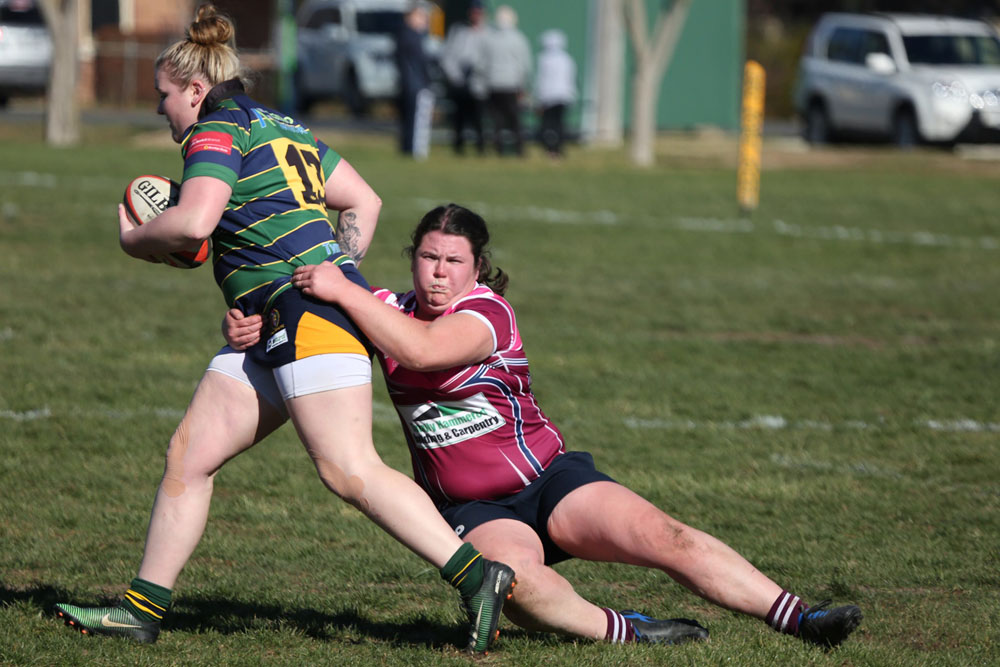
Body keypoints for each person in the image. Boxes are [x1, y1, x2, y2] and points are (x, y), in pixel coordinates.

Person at [52, 7, 514, 655]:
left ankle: (477, 574)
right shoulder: (279, 124)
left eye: (164, 96)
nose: (161, 109)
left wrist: (135, 239)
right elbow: (364, 200)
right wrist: (317, 273)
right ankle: (140, 611)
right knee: (190, 455)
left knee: (348, 468)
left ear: (194, 89)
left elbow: (194, 223)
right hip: (273, 322)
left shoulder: (216, 129)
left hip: (307, 320)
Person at [223, 204, 864, 649]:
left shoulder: (487, 313)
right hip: (473, 509)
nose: (439, 272)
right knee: (515, 588)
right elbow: (311, 338)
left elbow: (420, 350)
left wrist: (345, 291)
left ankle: (801, 618)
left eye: (453, 260)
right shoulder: (382, 309)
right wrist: (254, 327)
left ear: (477, 267)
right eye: (427, 257)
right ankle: (626, 629)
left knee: (666, 537)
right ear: (412, 259)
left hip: (550, 481)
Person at [440, 0, 488, 155]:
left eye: (479, 12)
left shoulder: (488, 33)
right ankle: (458, 147)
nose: (476, 15)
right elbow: (447, 56)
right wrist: (455, 76)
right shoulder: (459, 32)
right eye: (474, 12)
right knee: (459, 116)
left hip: (479, 81)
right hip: (460, 80)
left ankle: (480, 147)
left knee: (478, 117)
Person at [483, 5, 532, 156]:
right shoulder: (519, 38)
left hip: (493, 84)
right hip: (511, 84)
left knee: (497, 119)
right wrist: (523, 85)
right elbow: (524, 64)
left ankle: (499, 148)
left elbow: (484, 62)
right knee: (514, 118)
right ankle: (519, 148)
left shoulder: (491, 38)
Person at [395, 2, 435, 159]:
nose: (424, 20)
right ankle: (415, 151)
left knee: (409, 119)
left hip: (408, 83)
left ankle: (408, 148)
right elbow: (421, 62)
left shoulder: (402, 35)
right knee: (416, 120)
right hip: (415, 84)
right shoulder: (412, 36)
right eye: (421, 17)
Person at [533, 29, 576, 158]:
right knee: (559, 124)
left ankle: (550, 148)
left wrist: (539, 98)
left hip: (549, 97)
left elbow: (542, 80)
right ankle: (558, 148)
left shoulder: (544, 59)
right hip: (564, 96)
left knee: (548, 124)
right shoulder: (567, 59)